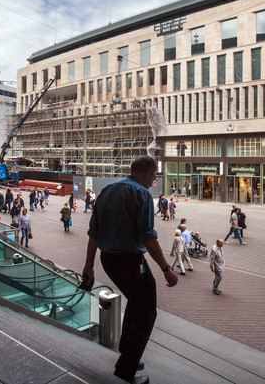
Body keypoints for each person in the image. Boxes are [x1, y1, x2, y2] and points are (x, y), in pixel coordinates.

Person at [82, 156, 178, 384]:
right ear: (146, 173)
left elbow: (93, 232)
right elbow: (149, 238)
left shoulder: (107, 191)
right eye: (154, 176)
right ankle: (126, 370)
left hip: (108, 260)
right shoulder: (142, 194)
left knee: (137, 302)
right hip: (131, 261)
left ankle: (128, 355)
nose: (154, 181)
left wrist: (89, 265)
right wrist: (166, 269)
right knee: (147, 312)